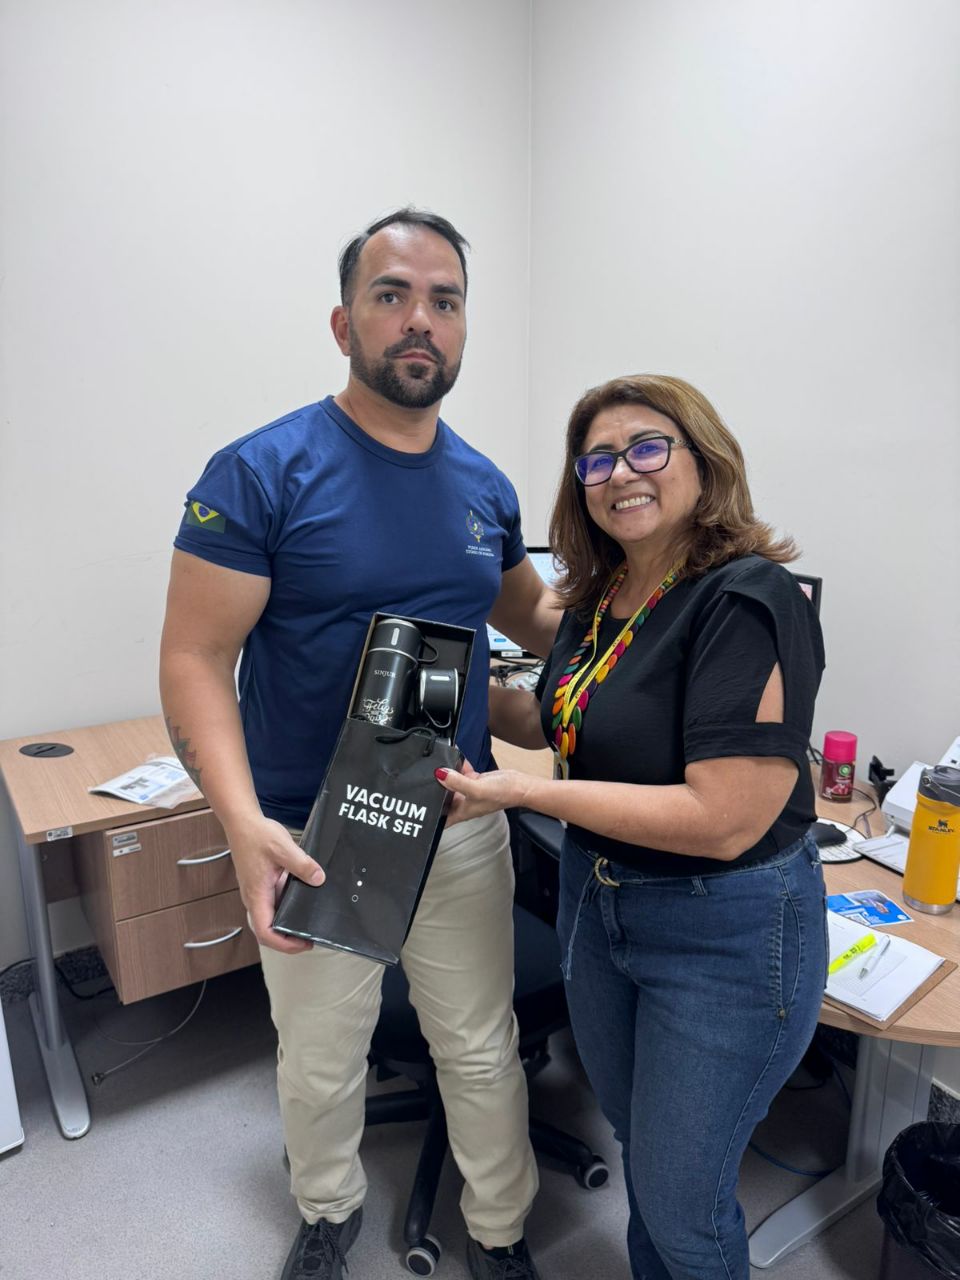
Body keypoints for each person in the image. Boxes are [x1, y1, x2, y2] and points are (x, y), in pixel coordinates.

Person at [159, 208, 558, 1280]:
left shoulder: (484, 486)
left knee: (480, 1044)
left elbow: (533, 619)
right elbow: (194, 657)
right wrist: (241, 824)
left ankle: (500, 1230)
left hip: (459, 817)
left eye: (444, 300)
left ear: (464, 328)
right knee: (321, 1054)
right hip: (312, 830)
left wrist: (665, 605)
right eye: (392, 295)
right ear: (344, 323)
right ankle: (327, 1210)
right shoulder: (261, 471)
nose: (420, 319)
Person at [436, 374, 828, 1280]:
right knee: (642, 1158)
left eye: (648, 447)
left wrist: (524, 794)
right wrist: (440, 684)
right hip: (600, 904)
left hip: (721, 930)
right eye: (598, 460)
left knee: (685, 1210)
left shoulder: (748, 599)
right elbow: (557, 719)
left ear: (703, 460)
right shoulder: (600, 599)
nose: (621, 473)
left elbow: (723, 820)